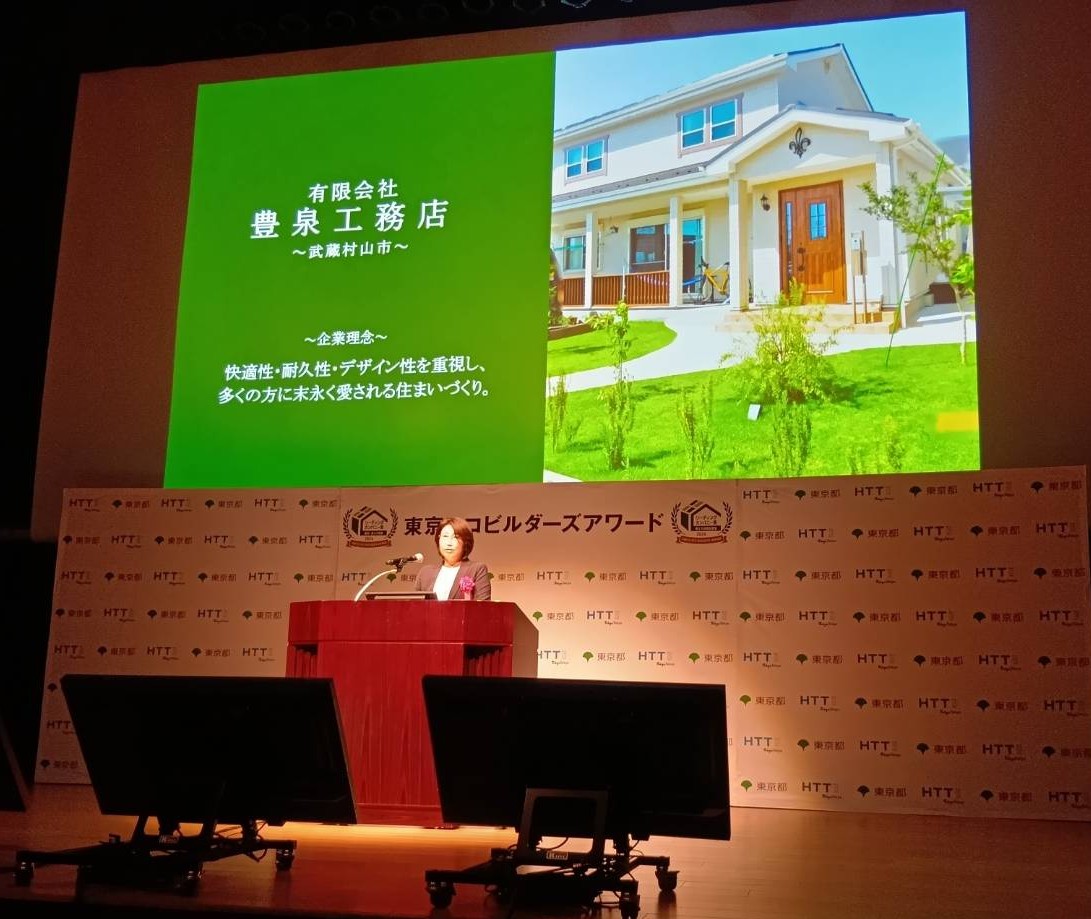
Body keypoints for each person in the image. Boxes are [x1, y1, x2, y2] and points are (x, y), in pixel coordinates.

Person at [414, 516, 491, 601]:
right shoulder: (425, 572)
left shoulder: (477, 569)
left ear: (465, 542)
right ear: (438, 539)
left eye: (455, 537)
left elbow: (483, 606)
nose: (449, 543)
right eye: (445, 536)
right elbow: (415, 605)